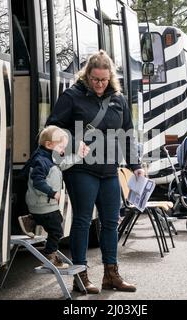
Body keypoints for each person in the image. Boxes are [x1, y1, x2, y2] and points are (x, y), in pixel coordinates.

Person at [46, 50, 145, 294]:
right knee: (82, 221)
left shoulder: (118, 100)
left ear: (110, 77)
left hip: (109, 170)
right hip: (81, 169)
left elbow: (127, 135)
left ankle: (111, 275)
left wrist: (137, 166)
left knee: (111, 222)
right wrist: (70, 142)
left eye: (103, 80)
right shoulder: (71, 96)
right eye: (95, 79)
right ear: (87, 75)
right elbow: (52, 128)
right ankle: (80, 276)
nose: (99, 84)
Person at [18, 125, 89, 269]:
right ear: (49, 144)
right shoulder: (41, 161)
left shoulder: (47, 157)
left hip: (42, 204)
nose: (63, 150)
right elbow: (37, 181)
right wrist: (52, 193)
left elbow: (63, 164)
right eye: (61, 147)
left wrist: (78, 156)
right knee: (57, 230)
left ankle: (31, 220)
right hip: (44, 203)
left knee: (53, 222)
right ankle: (49, 257)